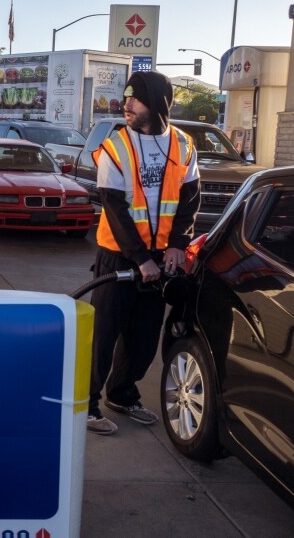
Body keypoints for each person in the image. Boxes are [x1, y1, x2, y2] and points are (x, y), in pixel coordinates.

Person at [87, 71, 201, 435]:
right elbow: (115, 208)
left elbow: (189, 201)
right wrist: (140, 259)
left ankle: (121, 393)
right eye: (126, 97)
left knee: (143, 336)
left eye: (135, 98)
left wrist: (177, 246)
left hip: (161, 257)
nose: (127, 104)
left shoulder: (183, 145)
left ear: (157, 103)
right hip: (119, 255)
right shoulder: (116, 147)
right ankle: (87, 405)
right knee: (103, 335)